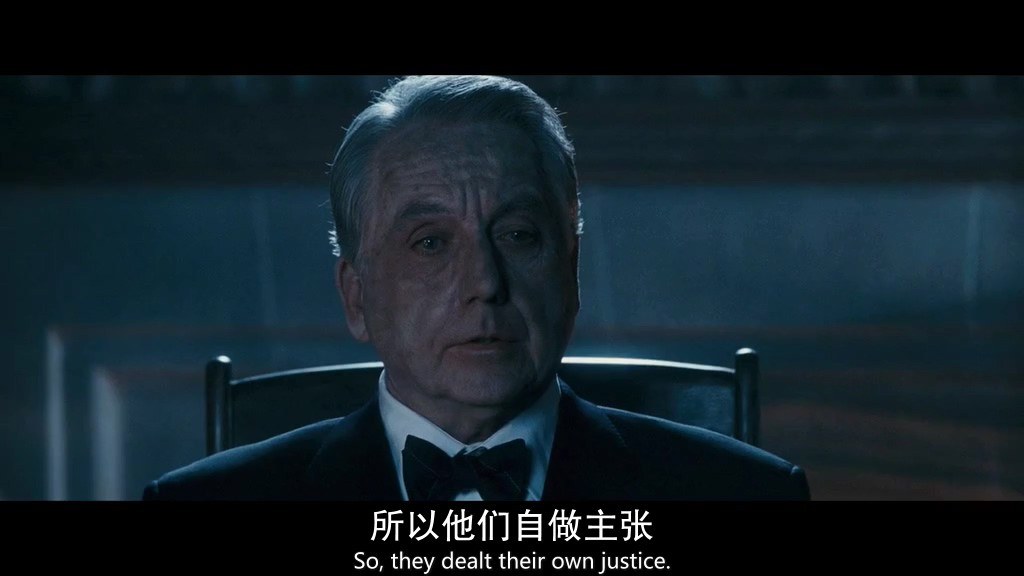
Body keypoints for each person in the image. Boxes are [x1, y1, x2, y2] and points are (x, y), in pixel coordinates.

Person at [143, 75, 810, 501]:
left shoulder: (745, 494)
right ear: (356, 296)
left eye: (517, 235)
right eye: (431, 243)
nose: (486, 284)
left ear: (571, 271)